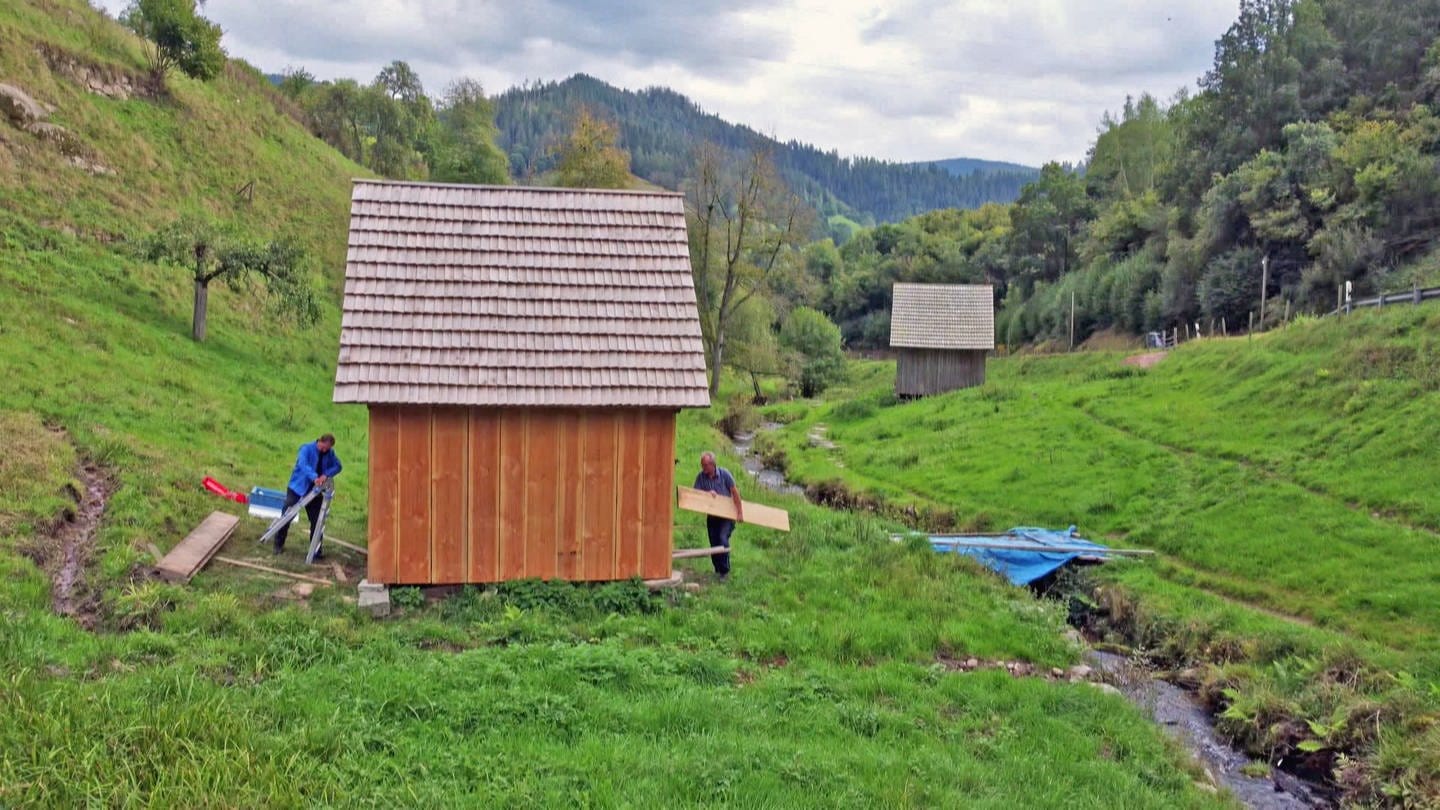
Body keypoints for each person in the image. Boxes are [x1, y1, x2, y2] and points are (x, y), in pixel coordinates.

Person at [274, 433, 342, 558]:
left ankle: (316, 551)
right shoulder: (306, 449)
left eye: (327, 449)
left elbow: (338, 466)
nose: (324, 451)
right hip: (298, 487)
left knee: (317, 521)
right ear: (319, 441)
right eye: (323, 448)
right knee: (287, 515)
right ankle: (278, 545)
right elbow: (303, 465)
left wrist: (326, 474)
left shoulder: (330, 453)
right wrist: (314, 477)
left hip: (315, 492)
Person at [694, 451, 743, 580]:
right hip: (712, 516)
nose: (703, 468)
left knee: (722, 539)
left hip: (727, 516)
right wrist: (707, 494)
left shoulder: (725, 474)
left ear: (712, 464)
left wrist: (740, 512)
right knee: (714, 543)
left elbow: (735, 492)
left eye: (705, 465)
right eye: (702, 465)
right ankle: (717, 569)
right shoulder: (701, 477)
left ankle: (724, 571)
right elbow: (694, 494)